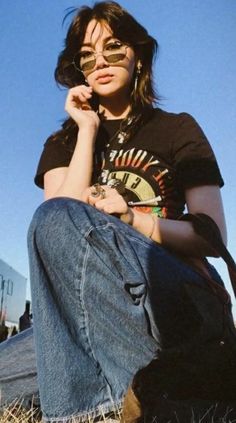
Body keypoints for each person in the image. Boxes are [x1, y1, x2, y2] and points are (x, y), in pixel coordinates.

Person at [27, 1, 227, 422]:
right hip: (90, 306)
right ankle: (160, 387)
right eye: (87, 55)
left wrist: (134, 220)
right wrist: (86, 132)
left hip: (171, 291)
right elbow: (55, 222)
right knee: (10, 373)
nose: (100, 61)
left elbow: (211, 237)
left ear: (139, 56)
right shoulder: (64, 142)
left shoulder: (177, 128)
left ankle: (102, 405)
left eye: (114, 48)